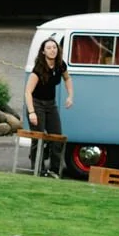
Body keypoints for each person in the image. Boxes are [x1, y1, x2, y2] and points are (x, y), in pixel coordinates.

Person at [24, 37, 74, 176]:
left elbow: (67, 78)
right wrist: (32, 112)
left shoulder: (60, 65)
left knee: (57, 137)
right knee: (38, 138)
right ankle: (38, 169)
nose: (52, 50)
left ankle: (54, 169)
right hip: (36, 104)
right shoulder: (38, 69)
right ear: (43, 52)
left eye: (54, 47)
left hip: (51, 104)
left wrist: (70, 96)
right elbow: (28, 92)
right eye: (49, 48)